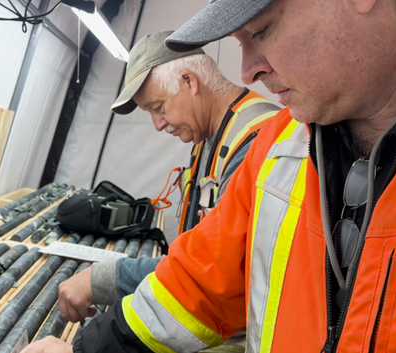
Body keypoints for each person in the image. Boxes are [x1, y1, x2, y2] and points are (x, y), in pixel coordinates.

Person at [24, 0, 396, 350]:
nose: (247, 71)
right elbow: (201, 282)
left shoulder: (257, 138)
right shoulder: (281, 147)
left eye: (262, 29)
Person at [55, 30, 279, 348]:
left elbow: (212, 278)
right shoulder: (208, 140)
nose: (158, 124)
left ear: (189, 81)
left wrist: (102, 280)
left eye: (158, 107)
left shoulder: (257, 142)